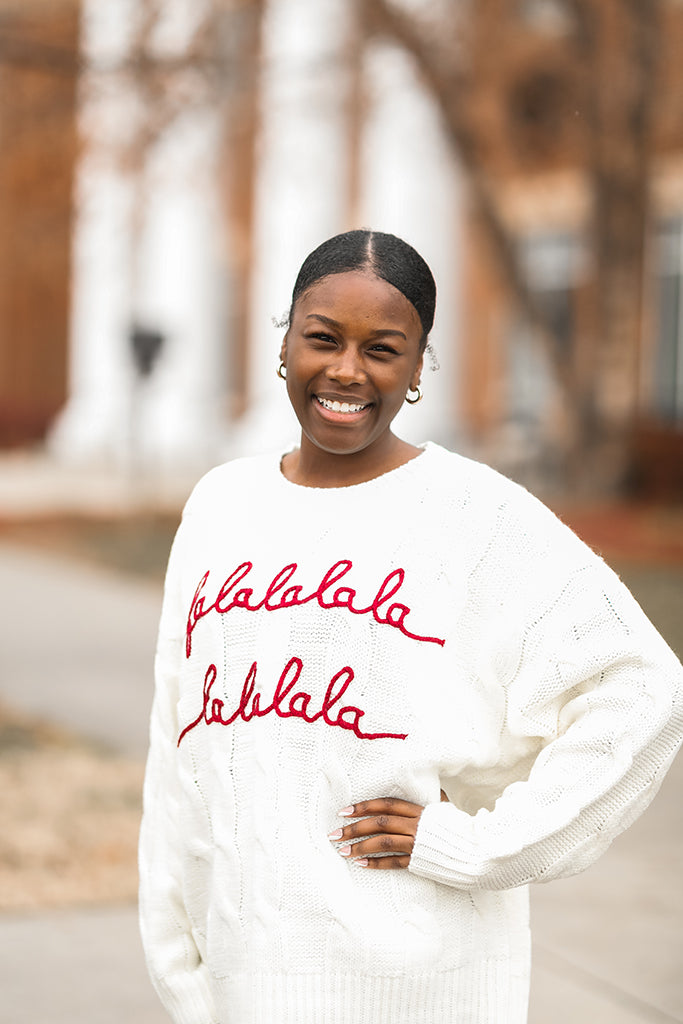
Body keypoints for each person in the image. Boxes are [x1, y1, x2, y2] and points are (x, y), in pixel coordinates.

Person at [139, 229, 683, 1024]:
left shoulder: (476, 515)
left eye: (382, 348)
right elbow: (175, 749)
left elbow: (643, 687)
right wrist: (180, 969)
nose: (346, 370)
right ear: (284, 342)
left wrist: (479, 847)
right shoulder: (220, 506)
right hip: (241, 983)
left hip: (421, 986)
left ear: (419, 366)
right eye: (322, 338)